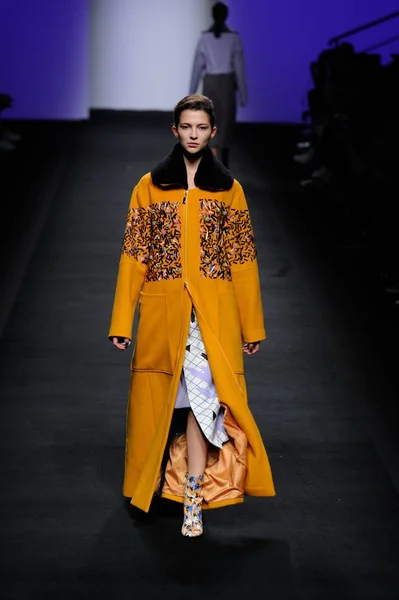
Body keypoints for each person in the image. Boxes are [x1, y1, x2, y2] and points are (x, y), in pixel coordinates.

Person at [109, 94, 275, 538]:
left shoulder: (229, 190)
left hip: (212, 315)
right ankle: (149, 486)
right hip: (164, 311)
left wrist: (252, 324)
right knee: (158, 403)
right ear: (175, 131)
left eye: (202, 127)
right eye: (187, 127)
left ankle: (193, 496)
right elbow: (134, 255)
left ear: (213, 132)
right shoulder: (149, 186)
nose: (194, 134)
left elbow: (243, 259)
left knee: (201, 408)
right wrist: (122, 321)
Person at [189, 1, 247, 168]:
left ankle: (212, 164)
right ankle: (224, 164)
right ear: (226, 16)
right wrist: (243, 94)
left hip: (210, 82)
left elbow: (197, 66)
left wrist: (191, 92)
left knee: (211, 120)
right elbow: (239, 68)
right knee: (226, 122)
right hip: (227, 82)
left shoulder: (205, 38)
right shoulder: (233, 38)